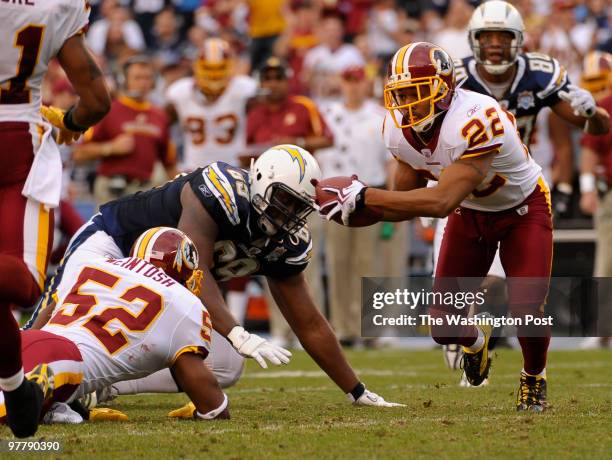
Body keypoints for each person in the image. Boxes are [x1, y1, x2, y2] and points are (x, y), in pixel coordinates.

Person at [316, 41, 585, 412]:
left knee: (526, 309)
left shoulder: (476, 117)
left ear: (444, 88)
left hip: (522, 209)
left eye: (417, 92)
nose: (407, 103)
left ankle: (533, 378)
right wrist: (350, 213)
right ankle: (477, 343)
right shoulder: (396, 129)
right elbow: (401, 204)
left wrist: (364, 196)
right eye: (401, 93)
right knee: (442, 326)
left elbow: (441, 202)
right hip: (471, 212)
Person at [28, 145, 402, 408]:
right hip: (112, 246)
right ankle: (14, 374)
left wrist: (355, 390)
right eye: (283, 200)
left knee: (226, 364)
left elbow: (309, 324)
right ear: (259, 179)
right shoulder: (220, 188)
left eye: (298, 208)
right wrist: (237, 331)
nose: (288, 214)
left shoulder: (286, 242)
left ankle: (105, 387)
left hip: (164, 289)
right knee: (56, 316)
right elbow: (195, 268)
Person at [440, 0, 610, 381]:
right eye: (487, 37)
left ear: (519, 41)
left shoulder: (539, 74)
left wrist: (592, 112)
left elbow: (595, 130)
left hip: (518, 191)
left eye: (504, 36)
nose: (496, 44)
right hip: (464, 192)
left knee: (523, 300)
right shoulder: (457, 78)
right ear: (474, 41)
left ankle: (529, 374)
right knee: (446, 307)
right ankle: (472, 342)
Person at [0, 0, 111, 437]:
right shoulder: (56, 3)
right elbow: (97, 100)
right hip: (17, 141)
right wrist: (68, 120)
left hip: (19, 140)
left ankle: (14, 386)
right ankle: (15, 387)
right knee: (25, 282)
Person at [2, 227, 229, 436]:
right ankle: (45, 401)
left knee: (20, 400)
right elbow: (213, 407)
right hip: (63, 355)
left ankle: (52, 405)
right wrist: (206, 407)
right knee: (13, 411)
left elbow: (50, 311)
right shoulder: (183, 302)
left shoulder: (96, 264)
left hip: (25, 341)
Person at [317, 66, 401, 345]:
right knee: (338, 262)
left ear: (366, 83)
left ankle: (373, 328)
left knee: (370, 264)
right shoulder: (326, 115)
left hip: (368, 194)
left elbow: (391, 160)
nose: (353, 86)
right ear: (340, 82)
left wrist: (393, 195)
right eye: (348, 80)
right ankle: (343, 327)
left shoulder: (380, 116)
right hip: (332, 200)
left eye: (357, 81)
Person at [73, 56, 177, 208]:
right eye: (137, 78)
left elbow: (169, 164)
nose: (142, 83)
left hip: (145, 191)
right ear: (124, 80)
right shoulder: (108, 110)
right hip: (111, 189)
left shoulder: (160, 115)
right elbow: (79, 154)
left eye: (147, 78)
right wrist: (110, 148)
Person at [165, 37, 257, 170]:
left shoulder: (243, 89)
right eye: (208, 68)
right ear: (197, 67)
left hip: (234, 168)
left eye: (219, 68)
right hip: (194, 170)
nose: (214, 75)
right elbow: (161, 126)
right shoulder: (180, 91)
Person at [578, 51, 612, 349]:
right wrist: (589, 188)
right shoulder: (599, 106)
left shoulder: (602, 106)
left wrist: (587, 188)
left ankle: (601, 331)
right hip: (609, 192)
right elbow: (589, 152)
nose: (595, 88)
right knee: (607, 261)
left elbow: (588, 155)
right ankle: (601, 330)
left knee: (607, 263)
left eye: (599, 81)